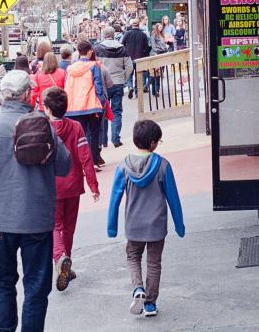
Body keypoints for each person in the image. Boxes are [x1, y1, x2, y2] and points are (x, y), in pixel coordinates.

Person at [0, 70, 71, 332]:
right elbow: (64, 165)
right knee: (36, 286)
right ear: (27, 94)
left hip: (1, 220)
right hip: (36, 218)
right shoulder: (43, 125)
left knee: (3, 281)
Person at [107, 120, 185, 318]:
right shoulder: (162, 165)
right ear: (152, 143)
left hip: (133, 225)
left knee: (133, 257)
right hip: (157, 225)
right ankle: (150, 304)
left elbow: (115, 197)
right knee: (153, 263)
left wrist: (112, 227)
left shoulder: (123, 166)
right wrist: (179, 224)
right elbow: (173, 197)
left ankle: (137, 289)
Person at [44, 87, 98, 292]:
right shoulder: (75, 127)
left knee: (54, 226)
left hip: (51, 186)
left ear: (48, 109)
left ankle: (59, 258)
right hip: (73, 184)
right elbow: (85, 156)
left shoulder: (44, 128)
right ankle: (66, 263)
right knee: (69, 227)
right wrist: (93, 184)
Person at [64, 40, 107, 168]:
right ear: (89, 52)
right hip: (91, 105)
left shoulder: (70, 69)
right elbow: (98, 87)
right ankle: (93, 161)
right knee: (94, 134)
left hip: (74, 107)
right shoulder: (94, 66)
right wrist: (102, 102)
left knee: (79, 136)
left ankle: (81, 162)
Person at [94, 26, 133, 148]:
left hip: (104, 84)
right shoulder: (122, 48)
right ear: (114, 34)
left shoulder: (98, 49)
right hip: (117, 83)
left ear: (104, 35)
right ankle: (116, 139)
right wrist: (124, 78)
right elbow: (129, 67)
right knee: (117, 111)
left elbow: (95, 66)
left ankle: (103, 141)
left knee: (103, 112)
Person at [121, 20, 150, 100]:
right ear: (138, 25)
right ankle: (137, 92)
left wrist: (126, 53)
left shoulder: (127, 33)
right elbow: (146, 48)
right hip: (139, 59)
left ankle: (130, 87)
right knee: (139, 76)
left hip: (129, 58)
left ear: (132, 25)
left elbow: (122, 45)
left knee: (129, 75)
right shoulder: (143, 35)